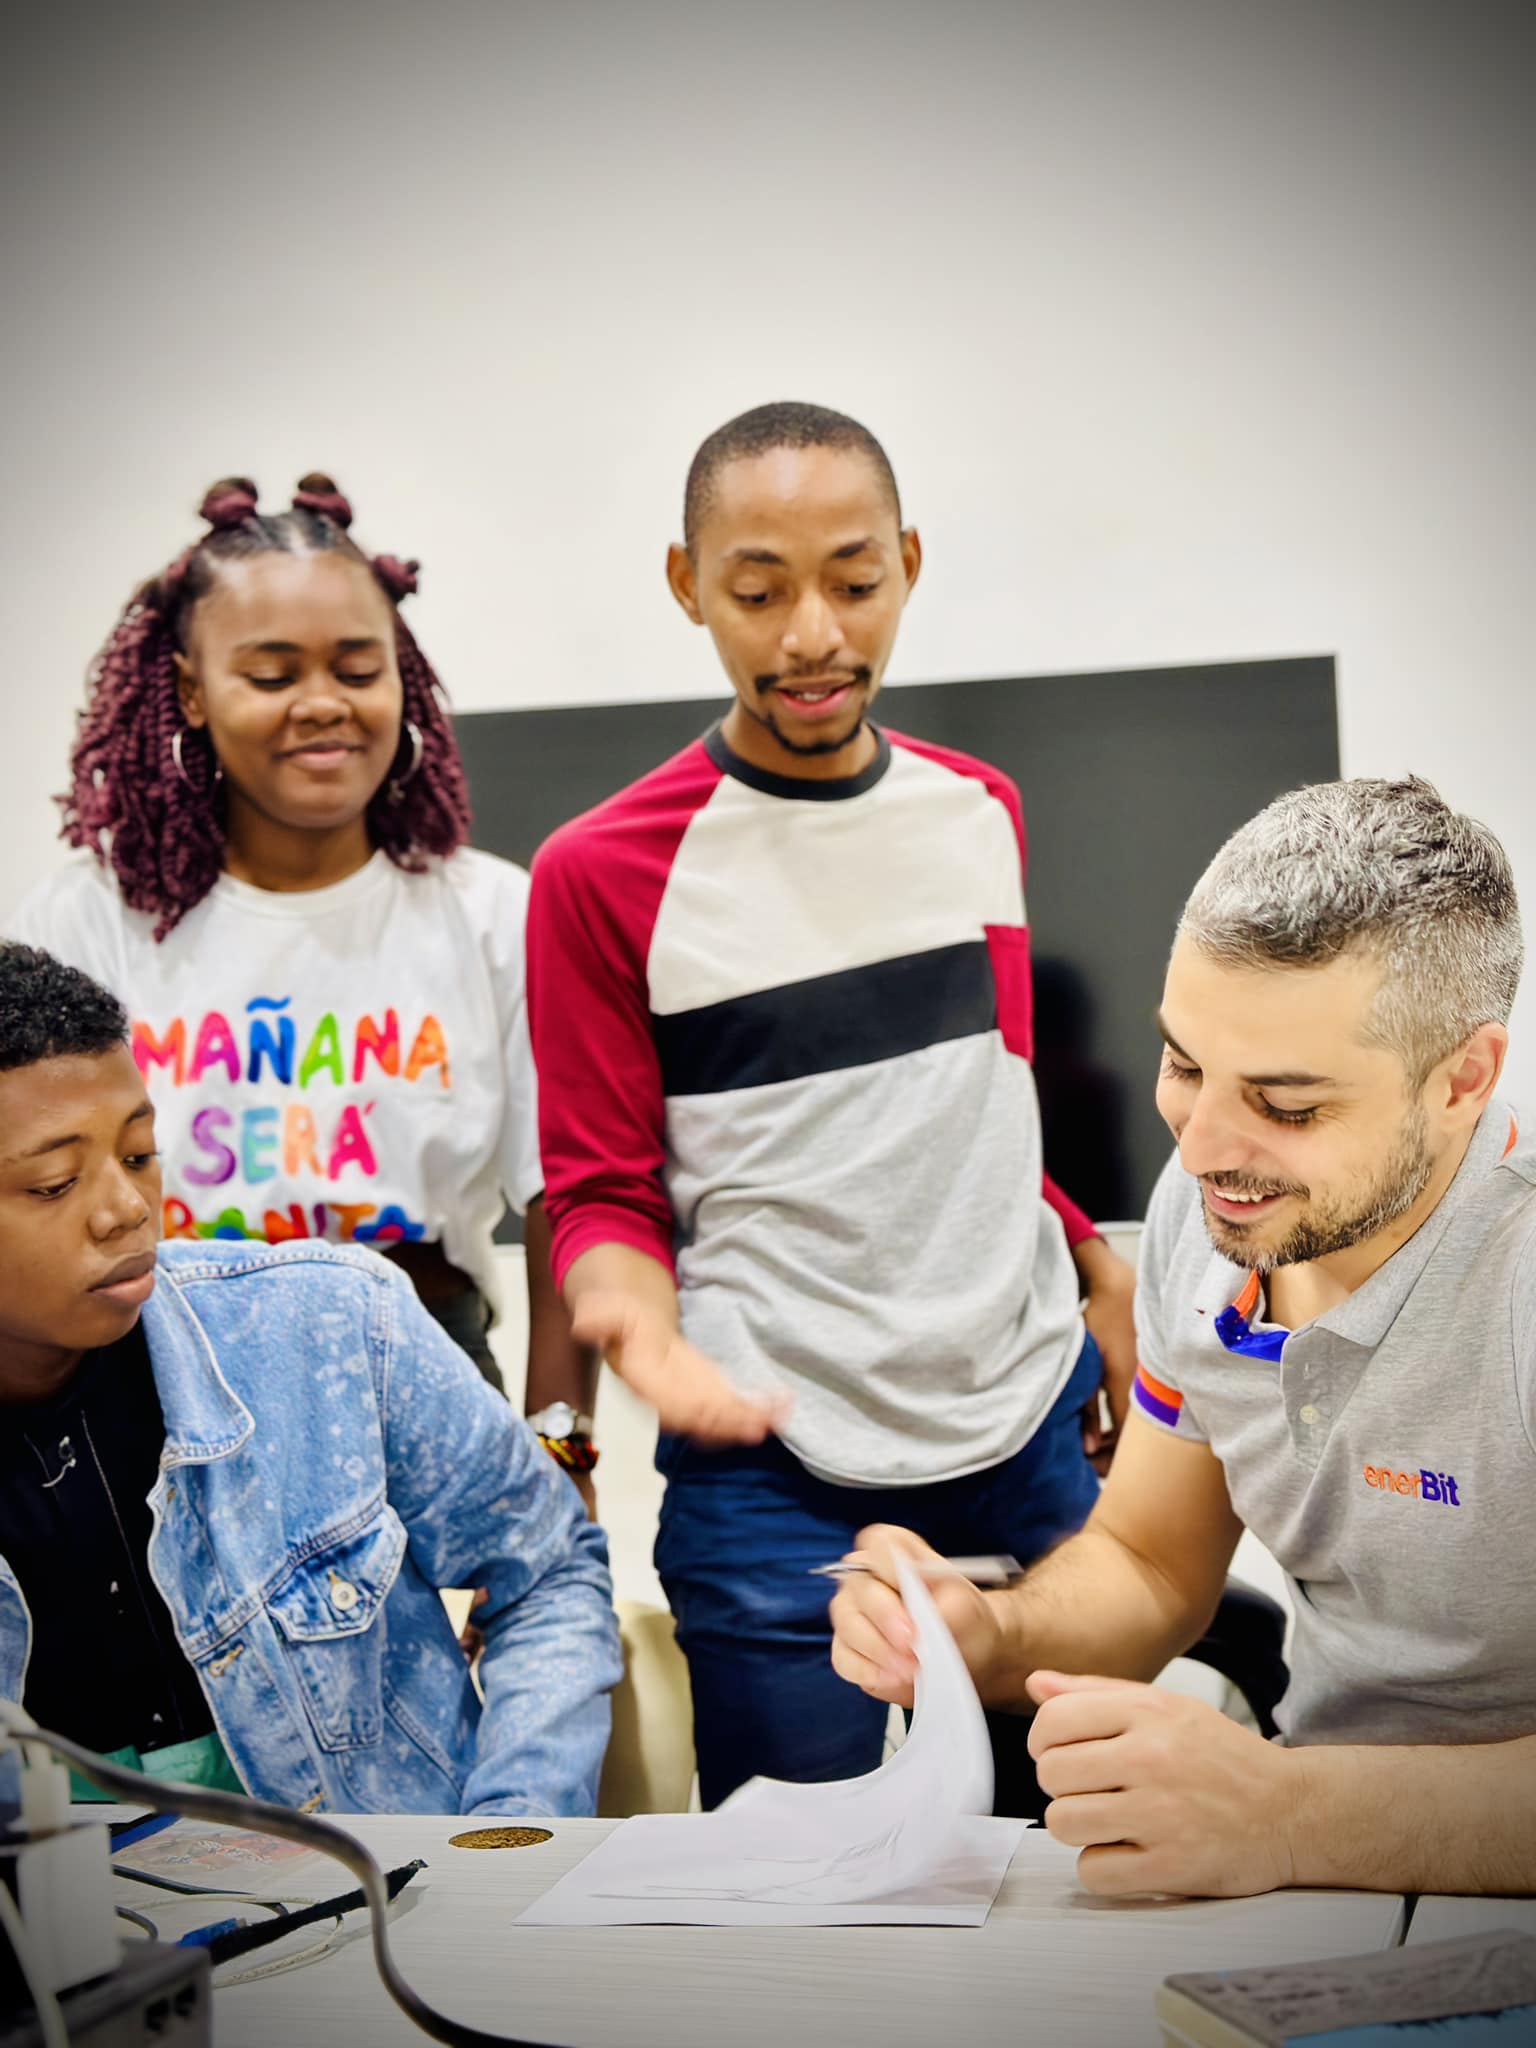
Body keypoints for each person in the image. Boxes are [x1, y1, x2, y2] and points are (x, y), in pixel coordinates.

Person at [526, 401, 1140, 1808]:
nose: (812, 632)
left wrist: (1093, 1257)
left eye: (854, 581)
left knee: (1086, 1866)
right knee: (802, 1910)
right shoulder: (600, 871)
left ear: (909, 565)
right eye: (759, 589)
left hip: (1030, 1437)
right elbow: (601, 1184)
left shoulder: (980, 809)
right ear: (689, 587)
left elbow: (975, 1104)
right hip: (777, 1467)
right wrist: (632, 1318)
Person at [830, 775, 1536, 1898]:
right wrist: (988, 1636)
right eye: (1184, 1063)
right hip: (1313, 1876)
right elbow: (1153, 1564)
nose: (1203, 1144)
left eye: (1287, 1104)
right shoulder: (1211, 1213)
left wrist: (1285, 1814)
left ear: (1463, 1079)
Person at [9, 473, 596, 1493]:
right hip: (152, 1393)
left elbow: (562, 1198)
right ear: (192, 689)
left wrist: (558, 1447)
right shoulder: (87, 919)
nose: (322, 704)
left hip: (424, 1381)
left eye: (358, 668)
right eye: (272, 673)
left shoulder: (494, 913)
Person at [0, 943, 621, 1815]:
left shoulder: (329, 1325)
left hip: (388, 1910)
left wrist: (514, 1836)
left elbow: (550, 1569)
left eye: (138, 1155)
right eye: (55, 1182)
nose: (126, 1210)